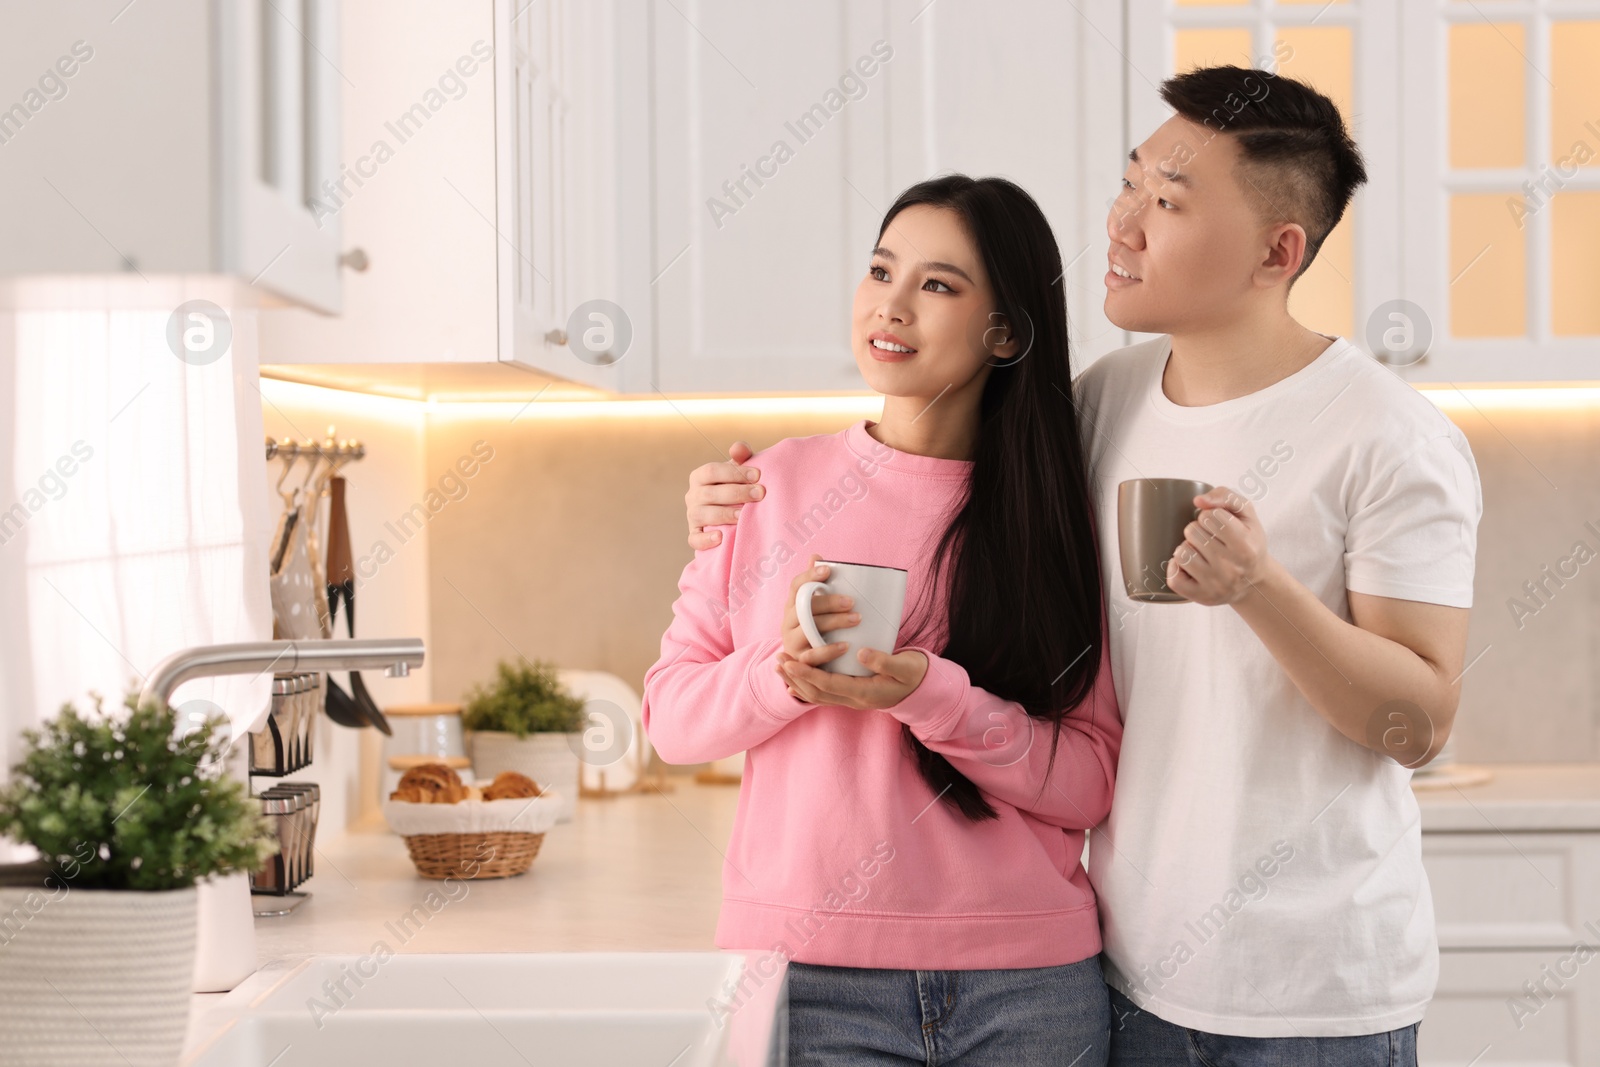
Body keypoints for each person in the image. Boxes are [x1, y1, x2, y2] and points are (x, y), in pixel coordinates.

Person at [682, 66, 1481, 1065]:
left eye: (1168, 204)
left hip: (1310, 992)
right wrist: (730, 514)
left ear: (1277, 251)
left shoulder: (1390, 436)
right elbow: (923, 479)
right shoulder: (1098, 406)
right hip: (1128, 972)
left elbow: (1418, 720)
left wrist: (1257, 590)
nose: (1123, 223)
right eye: (1132, 183)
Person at [643, 174, 1122, 1065]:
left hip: (1028, 986)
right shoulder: (765, 486)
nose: (890, 305)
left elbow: (1089, 780)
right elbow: (670, 719)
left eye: (938, 285)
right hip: (807, 976)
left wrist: (932, 697)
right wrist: (778, 675)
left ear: (1006, 331)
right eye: (879, 270)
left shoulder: (1057, 520)